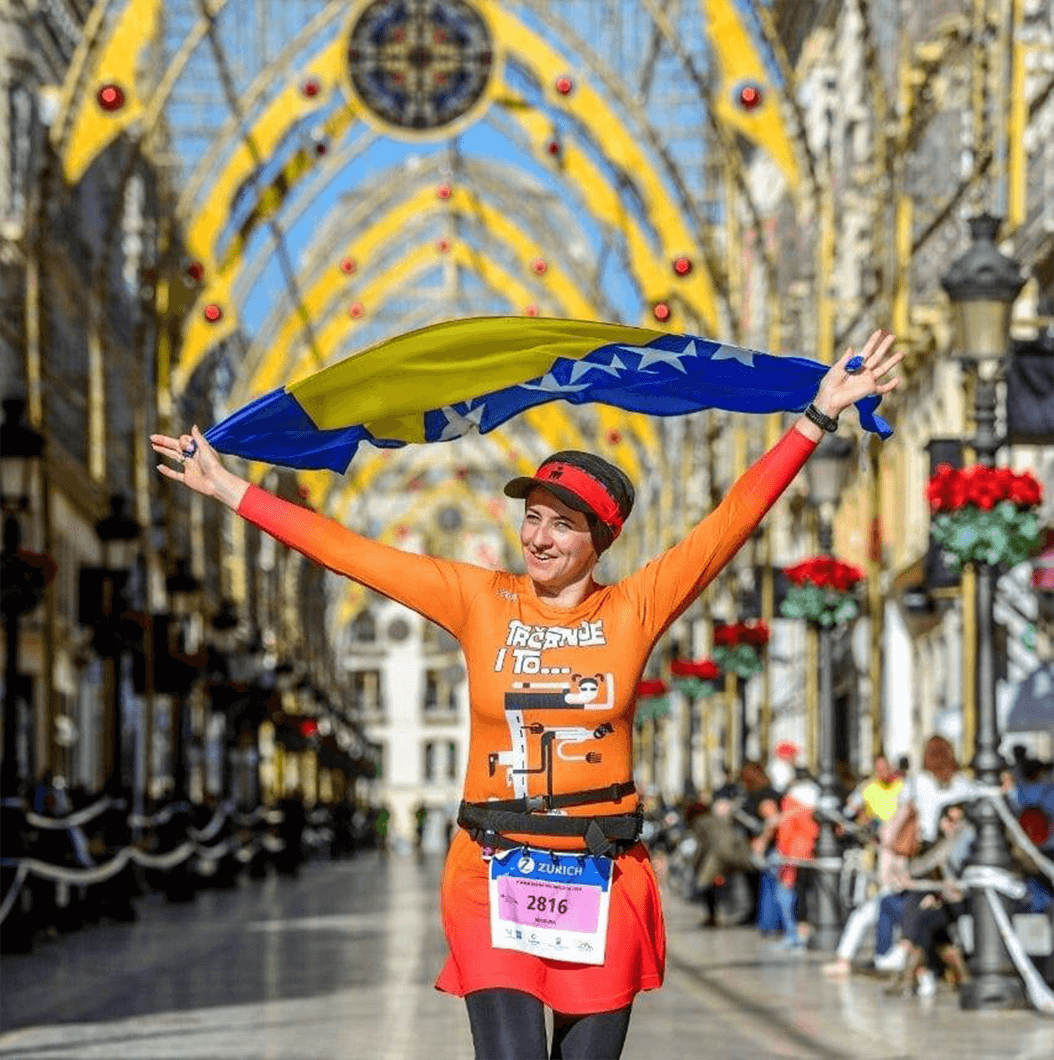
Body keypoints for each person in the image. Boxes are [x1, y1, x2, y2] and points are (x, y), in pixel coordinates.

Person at [151, 329, 901, 1060]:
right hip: (492, 870)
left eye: (562, 525)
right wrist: (226, 486)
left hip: (603, 877)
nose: (538, 538)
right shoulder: (479, 598)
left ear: (600, 539)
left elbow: (731, 521)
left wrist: (816, 415)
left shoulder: (635, 608)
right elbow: (350, 553)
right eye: (532, 518)